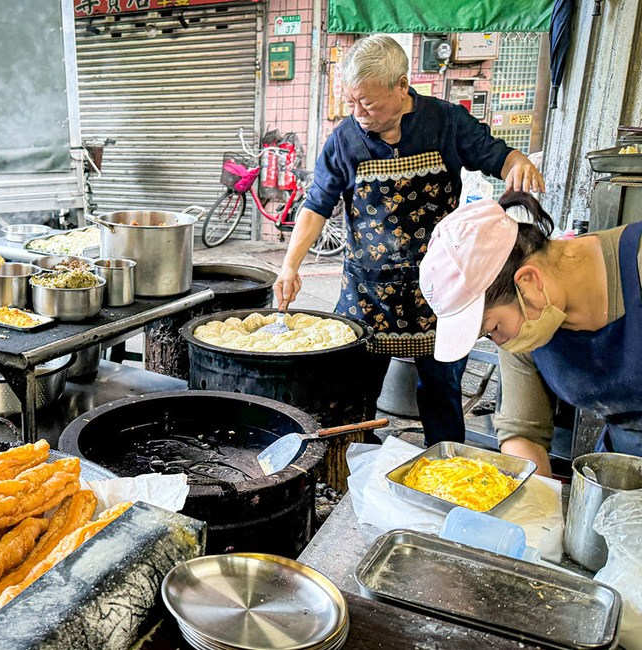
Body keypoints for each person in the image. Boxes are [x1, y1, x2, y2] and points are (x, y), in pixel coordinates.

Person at [273, 35, 544, 446]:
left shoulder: (447, 122)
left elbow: (496, 155)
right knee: (355, 392)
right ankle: (350, 467)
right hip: (368, 293)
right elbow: (316, 206)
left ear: (402, 87)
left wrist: (517, 162)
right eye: (351, 103)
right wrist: (290, 264)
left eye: (368, 102)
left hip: (441, 290)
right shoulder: (344, 141)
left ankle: (447, 465)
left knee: (441, 391)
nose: (358, 113)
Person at [419, 192, 642, 476]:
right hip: (623, 470)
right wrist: (538, 511)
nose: (499, 341)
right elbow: (523, 434)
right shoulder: (524, 323)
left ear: (528, 281)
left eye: (492, 329)